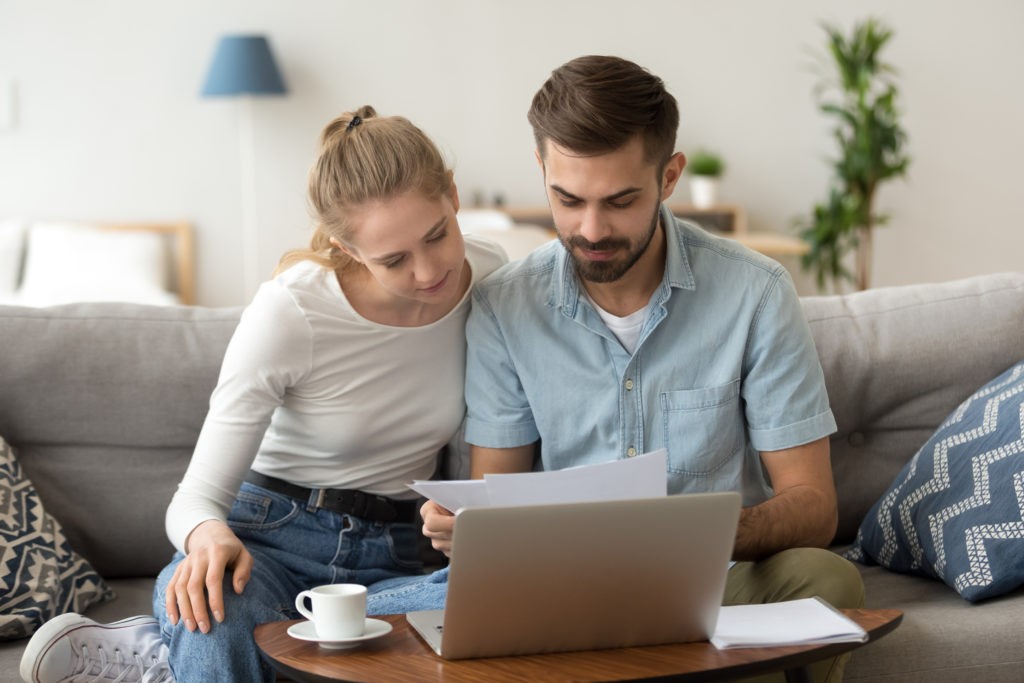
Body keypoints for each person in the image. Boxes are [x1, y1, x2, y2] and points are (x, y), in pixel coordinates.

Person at [403, 55, 864, 683]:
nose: (591, 230)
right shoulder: (504, 307)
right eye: (567, 199)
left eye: (621, 201)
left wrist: (689, 537)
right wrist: (471, 529)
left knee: (827, 576)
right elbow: (494, 496)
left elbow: (813, 507)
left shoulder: (755, 293)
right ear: (542, 170)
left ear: (669, 176)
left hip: (717, 586)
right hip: (564, 596)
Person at [18, 106, 506, 683]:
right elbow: (194, 499)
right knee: (220, 612)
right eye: (393, 260)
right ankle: (246, 641)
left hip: (394, 557)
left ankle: (186, 653)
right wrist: (209, 536)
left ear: (452, 196)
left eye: (437, 235)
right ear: (348, 249)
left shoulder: (495, 278)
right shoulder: (292, 310)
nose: (429, 272)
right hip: (268, 538)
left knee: (502, 593)